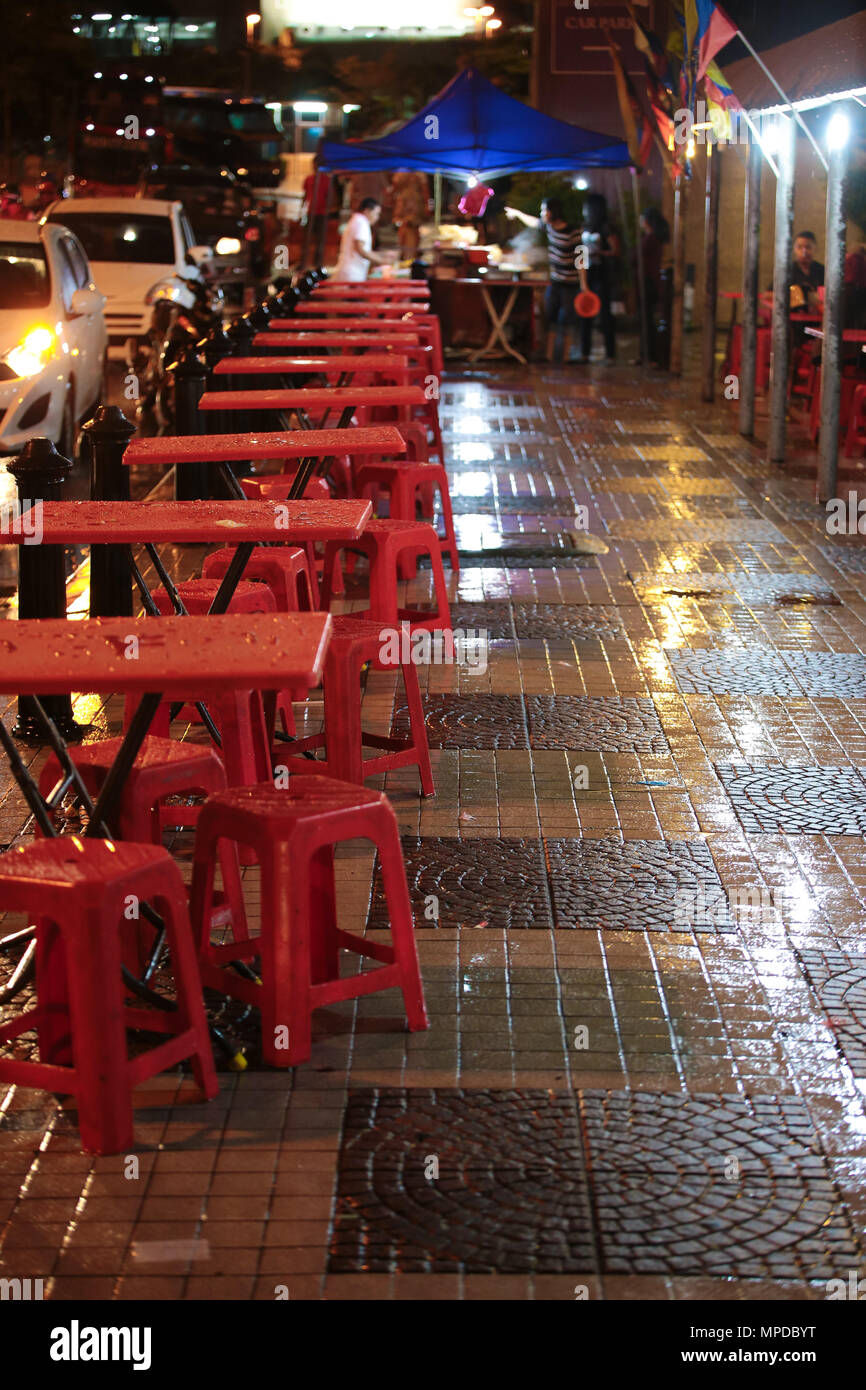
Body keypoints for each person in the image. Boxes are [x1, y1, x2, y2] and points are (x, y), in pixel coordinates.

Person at [505, 196, 581, 364]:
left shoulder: (573, 232)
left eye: (544, 210)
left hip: (571, 283)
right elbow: (533, 222)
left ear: (552, 212)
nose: (541, 213)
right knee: (551, 318)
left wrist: (584, 285)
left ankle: (565, 357)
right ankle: (549, 356)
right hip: (555, 281)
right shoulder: (549, 228)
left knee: (565, 320)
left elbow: (582, 259)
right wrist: (517, 213)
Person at [578, 192, 619, 364]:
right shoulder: (584, 227)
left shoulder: (606, 227)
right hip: (588, 273)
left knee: (605, 315)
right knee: (585, 314)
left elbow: (616, 251)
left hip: (602, 273)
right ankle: (585, 352)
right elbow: (579, 253)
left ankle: (610, 354)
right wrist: (582, 280)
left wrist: (600, 252)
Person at [634, 207, 669, 366]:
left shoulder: (651, 239)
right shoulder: (653, 238)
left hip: (648, 284)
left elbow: (639, 258)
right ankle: (646, 355)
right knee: (646, 320)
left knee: (647, 320)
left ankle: (651, 356)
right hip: (648, 282)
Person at [333, 197, 387, 282]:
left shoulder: (357, 220)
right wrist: (382, 260)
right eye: (376, 213)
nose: (377, 217)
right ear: (367, 211)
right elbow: (361, 250)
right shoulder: (361, 222)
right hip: (352, 274)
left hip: (350, 272)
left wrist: (383, 256)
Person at [389, 170, 430, 260]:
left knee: (410, 229)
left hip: (409, 206)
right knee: (407, 229)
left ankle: (409, 254)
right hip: (408, 206)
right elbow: (425, 191)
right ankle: (408, 254)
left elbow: (394, 190)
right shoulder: (418, 173)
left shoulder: (401, 173)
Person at [302, 157, 331, 261]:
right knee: (307, 239)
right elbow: (305, 196)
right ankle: (304, 260)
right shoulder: (308, 179)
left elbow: (330, 197)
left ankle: (317, 261)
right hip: (311, 212)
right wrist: (302, 210)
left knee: (320, 240)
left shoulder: (327, 180)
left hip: (322, 213)